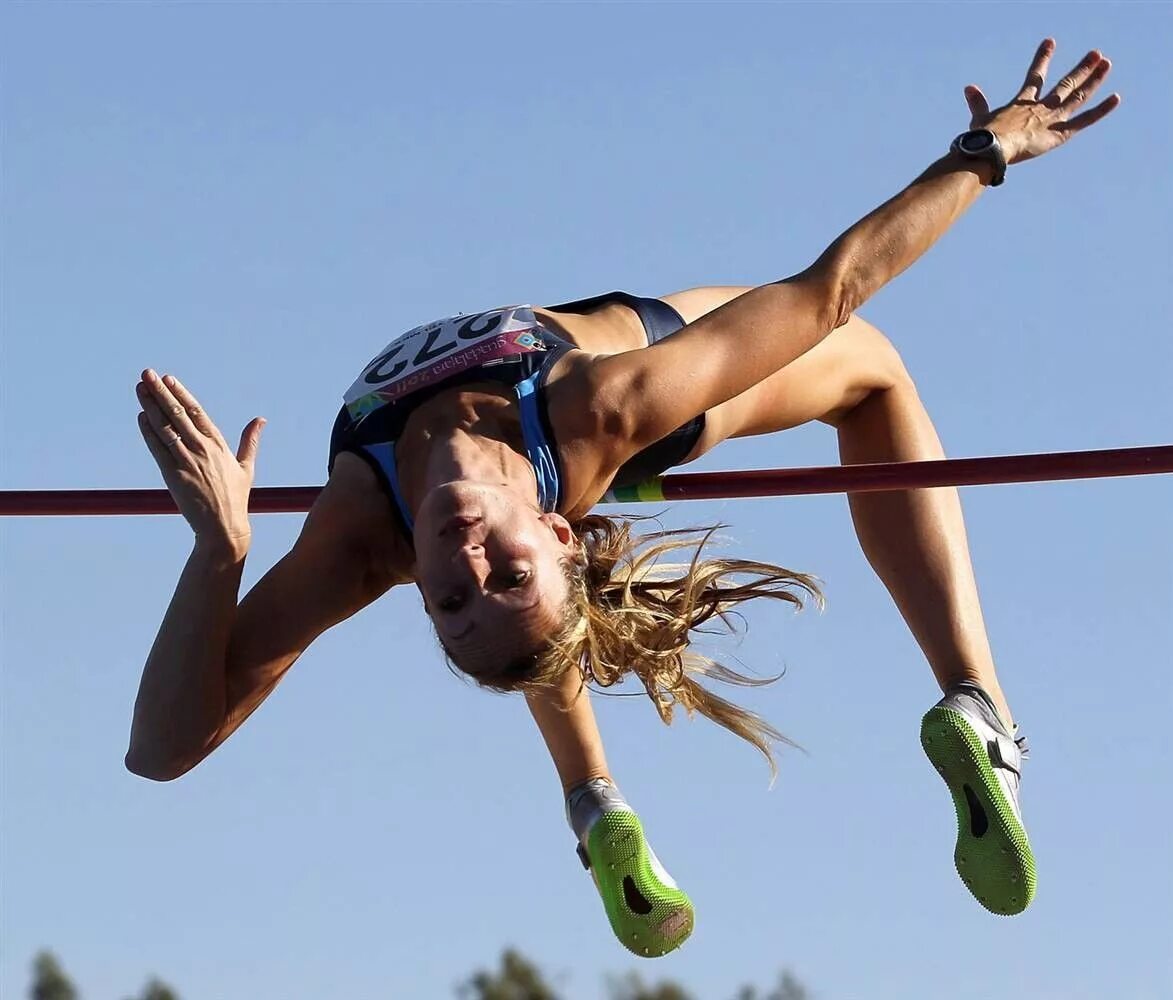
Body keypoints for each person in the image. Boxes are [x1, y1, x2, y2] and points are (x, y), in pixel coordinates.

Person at [126, 40, 1118, 956]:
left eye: (449, 599)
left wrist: (217, 551)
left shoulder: (360, 537)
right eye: (502, 569)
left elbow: (160, 749)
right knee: (874, 376)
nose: (462, 561)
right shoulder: (607, 407)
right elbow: (830, 291)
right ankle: (979, 705)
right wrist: (983, 156)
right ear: (566, 530)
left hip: (543, 419)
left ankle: (597, 807)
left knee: (529, 630)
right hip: (620, 367)